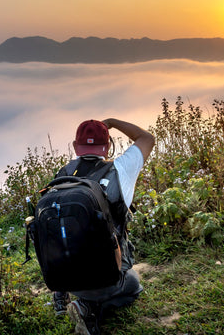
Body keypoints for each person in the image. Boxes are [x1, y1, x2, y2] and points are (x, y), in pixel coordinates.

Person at [52, 118, 155, 335]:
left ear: (74, 146)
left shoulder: (62, 176)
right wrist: (113, 122)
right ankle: (89, 306)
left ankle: (65, 296)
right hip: (108, 276)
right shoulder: (120, 169)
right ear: (108, 146)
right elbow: (147, 138)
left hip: (68, 277)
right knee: (133, 285)